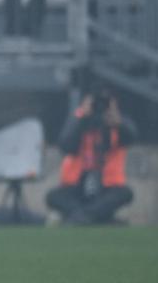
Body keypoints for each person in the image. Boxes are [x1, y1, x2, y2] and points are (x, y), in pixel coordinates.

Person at [46, 87, 136, 224]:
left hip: (108, 185)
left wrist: (118, 123)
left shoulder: (118, 122)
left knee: (124, 193)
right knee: (54, 196)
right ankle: (97, 218)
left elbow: (131, 137)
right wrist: (82, 117)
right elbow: (66, 146)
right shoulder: (78, 120)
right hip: (76, 185)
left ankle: (82, 217)